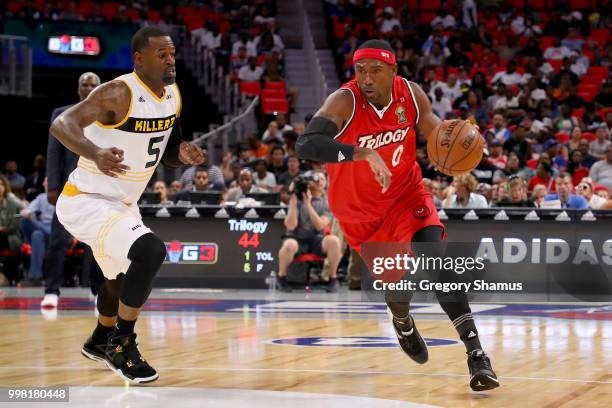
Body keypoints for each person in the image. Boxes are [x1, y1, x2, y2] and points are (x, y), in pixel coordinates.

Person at [295, 39, 498, 391]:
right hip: (360, 213)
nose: (367, 78)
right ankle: (402, 320)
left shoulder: (412, 95)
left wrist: (459, 142)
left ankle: (477, 354)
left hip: (406, 194)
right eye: (360, 71)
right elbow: (306, 144)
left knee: (438, 261)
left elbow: (435, 132)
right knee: (398, 287)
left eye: (375, 71)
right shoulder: (344, 100)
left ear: (393, 71)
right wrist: (360, 153)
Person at [49, 26, 205, 383]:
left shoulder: (172, 96)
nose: (171, 61)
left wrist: (183, 155)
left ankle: (101, 337)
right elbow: (61, 124)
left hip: (121, 204)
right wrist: (95, 152)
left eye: (172, 54)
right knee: (150, 251)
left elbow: (168, 152)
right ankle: (121, 344)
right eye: (162, 55)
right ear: (139, 59)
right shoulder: (119, 92)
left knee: (119, 281)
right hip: (86, 200)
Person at [44, 71, 103, 309]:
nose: (88, 88)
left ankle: (98, 290)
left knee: (99, 243)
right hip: (69, 188)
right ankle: (51, 291)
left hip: (98, 188)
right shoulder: (61, 114)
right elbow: (53, 152)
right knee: (58, 240)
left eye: (93, 85)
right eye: (84, 85)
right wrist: (53, 184)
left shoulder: (110, 116)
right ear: (78, 89)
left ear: (100, 89)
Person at [278, 173, 341, 292]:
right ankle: (281, 277)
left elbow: (319, 225)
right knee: (289, 245)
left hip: (316, 239)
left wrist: (308, 204)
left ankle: (332, 278)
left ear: (326, 184)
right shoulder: (297, 200)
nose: (319, 181)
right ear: (309, 183)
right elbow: (291, 226)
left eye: (322, 179)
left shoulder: (327, 203)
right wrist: (292, 201)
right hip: (296, 238)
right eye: (315, 179)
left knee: (334, 241)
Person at [19, 178, 54, 285]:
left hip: (55, 235)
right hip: (43, 234)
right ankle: (35, 277)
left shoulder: (62, 199)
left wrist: (31, 219)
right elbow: (29, 209)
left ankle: (35, 277)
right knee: (34, 232)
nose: (43, 183)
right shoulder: (41, 198)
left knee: (37, 234)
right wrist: (26, 212)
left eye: (46, 181)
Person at [0, 174, 25, 286]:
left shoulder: (11, 202)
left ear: (5, 187)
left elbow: (13, 227)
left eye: (1, 185)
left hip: (11, 237)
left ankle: (2, 275)